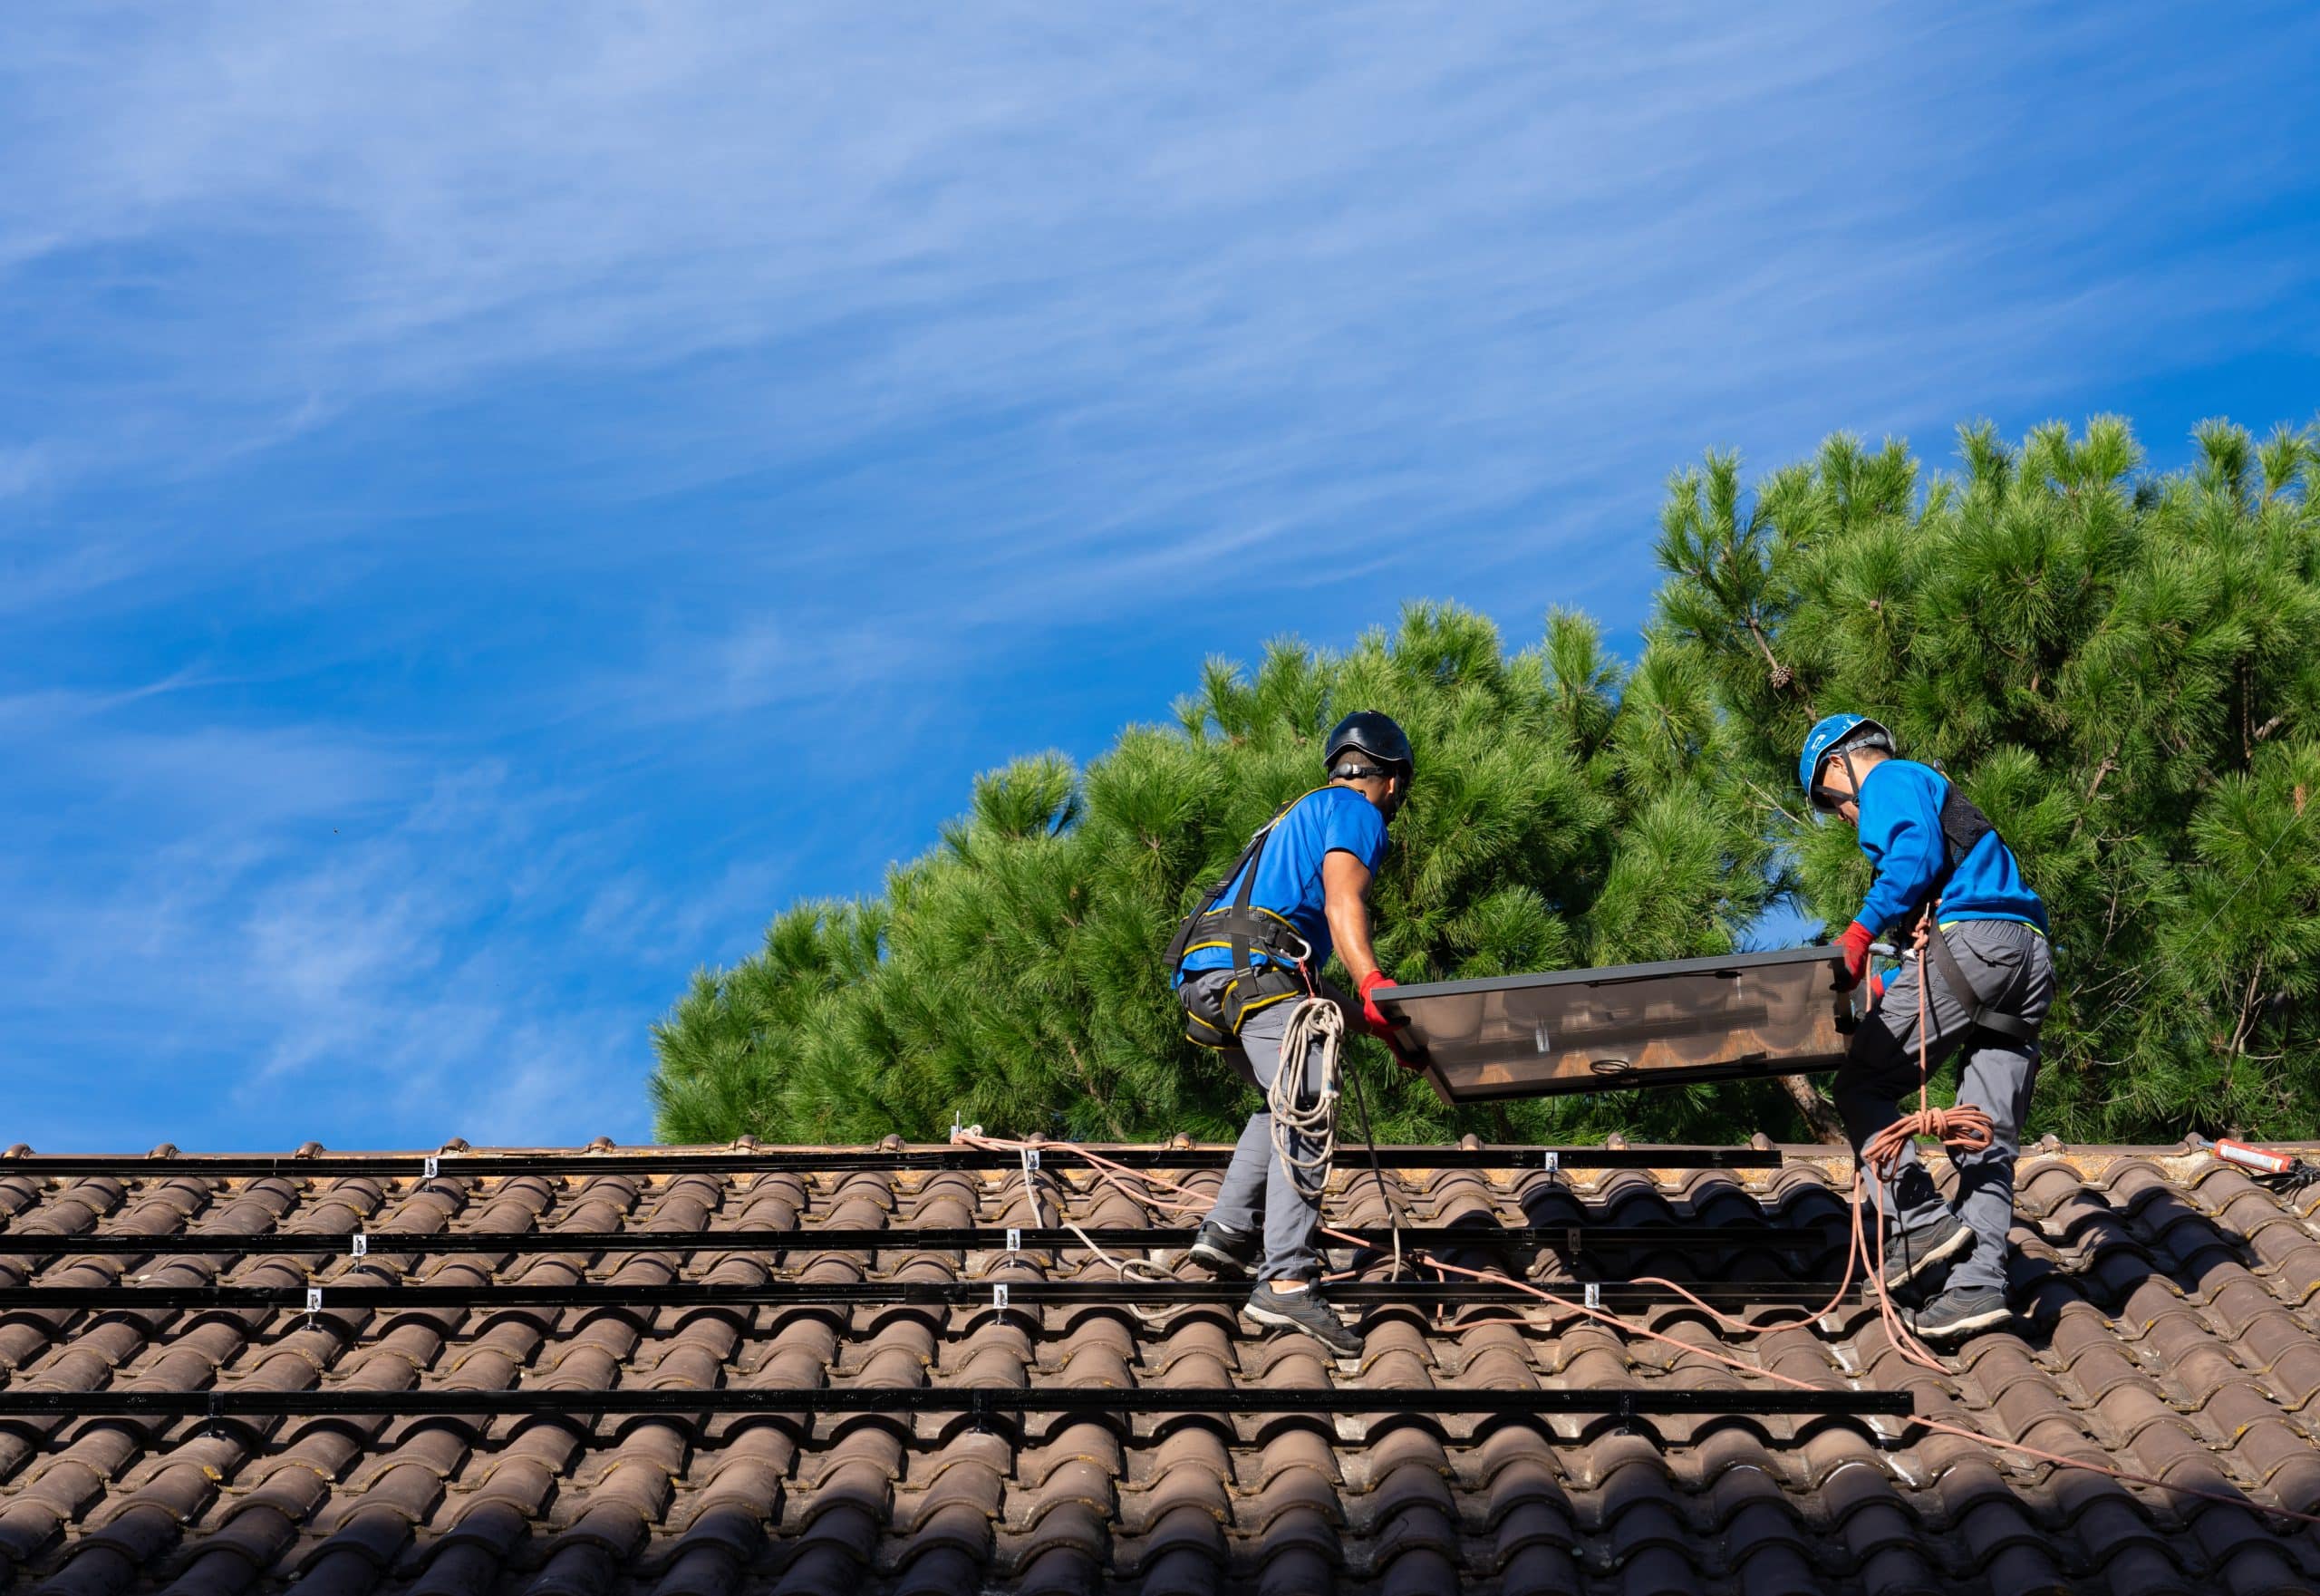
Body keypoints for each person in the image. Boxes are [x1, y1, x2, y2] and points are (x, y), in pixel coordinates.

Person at [1166, 710, 1416, 1356]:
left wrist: (1376, 1027)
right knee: (1306, 1108)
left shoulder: (1291, 819)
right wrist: (1375, 982)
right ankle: (1287, 1279)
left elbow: (1298, 969)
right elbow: (1341, 903)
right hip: (1255, 975)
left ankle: (1225, 1229)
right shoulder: (1355, 811)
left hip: (1213, 980)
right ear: (1390, 781)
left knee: (1282, 1101)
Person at [1801, 713, 2054, 1342]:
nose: (1842, 817)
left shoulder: (1888, 779)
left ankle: (1917, 1219)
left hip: (1971, 946)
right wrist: (1887, 986)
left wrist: (1858, 934)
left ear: (1841, 765)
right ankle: (1978, 1285)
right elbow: (1939, 943)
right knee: (1984, 1135)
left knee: (1860, 1084)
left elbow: (1914, 852)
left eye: (1831, 803)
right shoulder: (1937, 792)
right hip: (2026, 958)